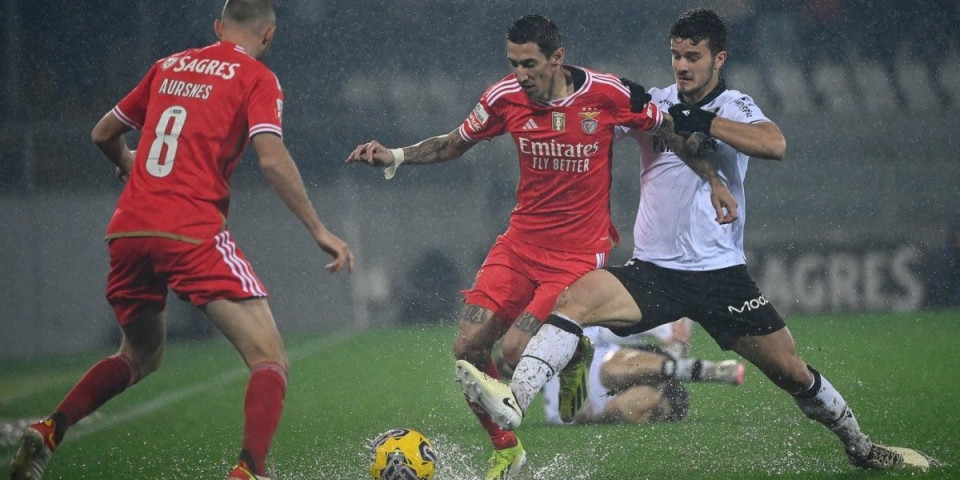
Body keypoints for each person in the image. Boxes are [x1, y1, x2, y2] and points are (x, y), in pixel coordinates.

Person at [456, 8, 931, 472]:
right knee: (575, 298)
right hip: (654, 272)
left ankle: (862, 447)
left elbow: (774, 145)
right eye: (676, 55)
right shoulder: (654, 102)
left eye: (693, 57)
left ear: (718, 59)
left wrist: (697, 120)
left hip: (720, 275)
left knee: (792, 372)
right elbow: (592, 112)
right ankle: (513, 399)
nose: (682, 65)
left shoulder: (735, 106)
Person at [347, 13, 736, 479]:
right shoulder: (503, 98)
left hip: (576, 254)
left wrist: (712, 179)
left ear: (558, 58)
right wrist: (396, 156)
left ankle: (574, 354)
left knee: (514, 353)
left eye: (529, 64)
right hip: (520, 244)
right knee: (467, 348)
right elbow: (455, 143)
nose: (521, 75)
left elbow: (669, 128)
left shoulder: (607, 94)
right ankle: (508, 452)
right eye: (513, 63)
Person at [8, 2, 354, 480]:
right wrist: (319, 228)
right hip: (189, 230)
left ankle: (49, 429)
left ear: (217, 28)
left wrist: (133, 166)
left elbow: (103, 133)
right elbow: (271, 159)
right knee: (269, 359)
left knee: (139, 355)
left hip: (129, 230)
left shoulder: (167, 65)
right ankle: (250, 471)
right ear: (269, 35)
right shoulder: (256, 77)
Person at [536, 320, 745, 425]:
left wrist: (668, 333)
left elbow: (630, 327)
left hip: (624, 368)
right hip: (599, 396)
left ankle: (692, 370)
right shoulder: (545, 338)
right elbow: (509, 358)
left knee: (612, 377)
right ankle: (680, 370)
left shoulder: (589, 320)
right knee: (617, 395)